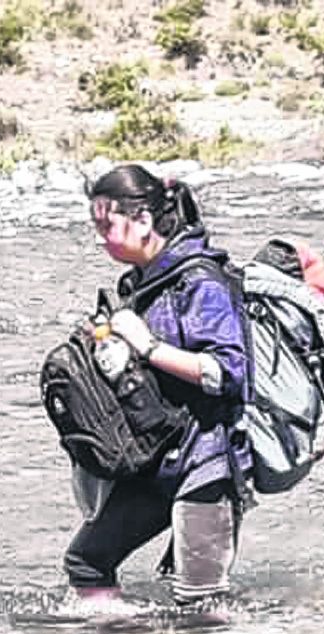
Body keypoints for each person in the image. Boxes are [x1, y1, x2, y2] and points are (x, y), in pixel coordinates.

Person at [64, 164, 252, 606]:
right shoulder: (140, 282)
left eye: (105, 224)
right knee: (87, 562)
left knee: (200, 605)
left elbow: (226, 373)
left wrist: (146, 346)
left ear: (144, 221)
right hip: (154, 458)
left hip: (207, 463)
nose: (99, 236)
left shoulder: (200, 281)